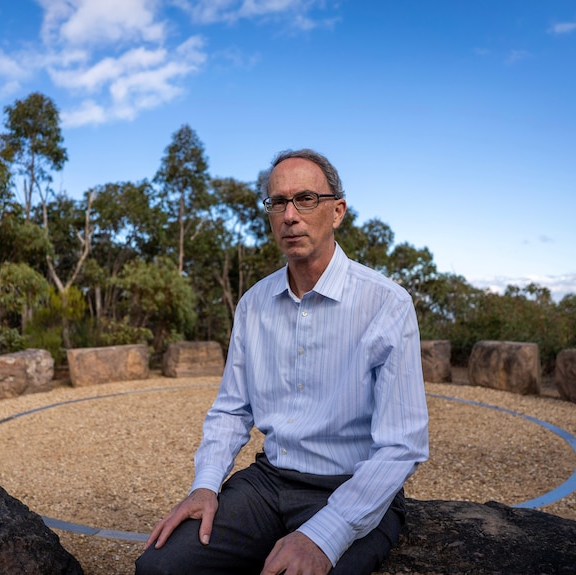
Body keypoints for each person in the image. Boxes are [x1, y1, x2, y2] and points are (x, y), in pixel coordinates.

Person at [136, 149, 429, 575]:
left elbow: (402, 444)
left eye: (306, 199)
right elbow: (232, 409)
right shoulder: (254, 304)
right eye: (278, 202)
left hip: (352, 485)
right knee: (159, 568)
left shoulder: (386, 303)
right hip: (269, 481)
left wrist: (324, 534)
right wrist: (205, 485)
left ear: (337, 211)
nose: (289, 214)